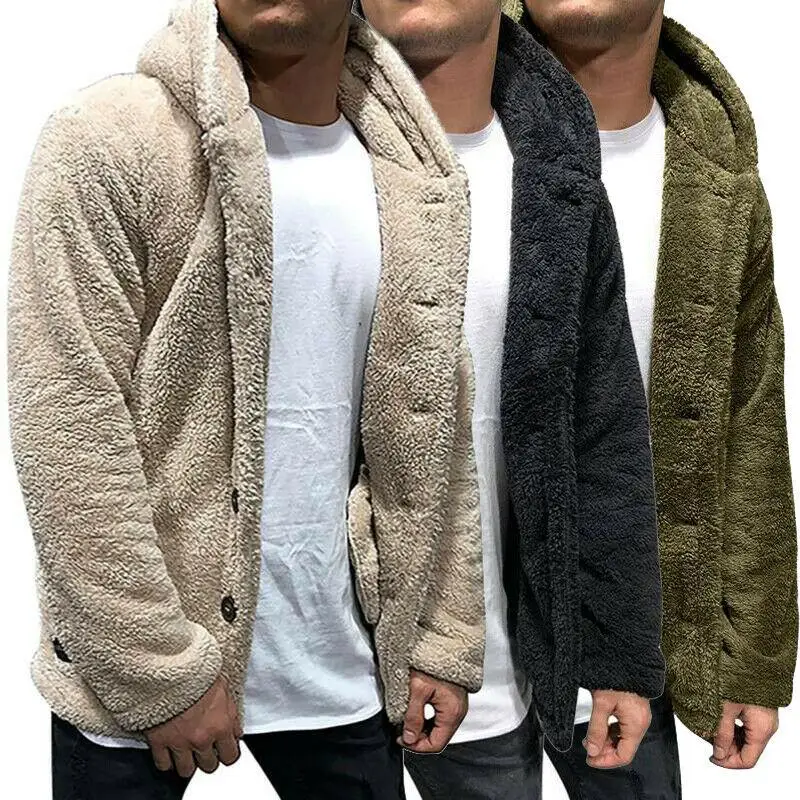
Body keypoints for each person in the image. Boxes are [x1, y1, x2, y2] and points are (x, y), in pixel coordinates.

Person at [6, 0, 488, 797]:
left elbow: (437, 420)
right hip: (134, 689)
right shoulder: (109, 138)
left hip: (344, 670)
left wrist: (442, 631)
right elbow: (67, 421)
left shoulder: (410, 172)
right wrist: (156, 670)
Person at [356, 1, 666, 797]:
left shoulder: (555, 160)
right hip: (336, 672)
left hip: (503, 669)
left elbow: (602, 426)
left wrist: (616, 655)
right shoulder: (306, 149)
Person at [503, 0, 799, 785]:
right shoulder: (443, 125)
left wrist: (753, 654)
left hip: (623, 648)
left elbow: (747, 421)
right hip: (445, 644)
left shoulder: (718, 177)